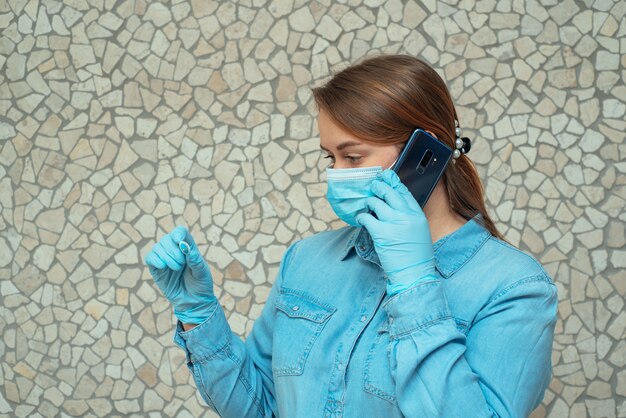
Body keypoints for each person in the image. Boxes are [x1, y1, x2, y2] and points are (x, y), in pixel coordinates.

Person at [145, 54, 558, 417]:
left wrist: (415, 285)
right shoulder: (305, 261)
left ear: (426, 153)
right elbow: (261, 408)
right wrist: (198, 314)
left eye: (353, 156)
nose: (336, 175)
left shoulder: (514, 289)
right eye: (330, 157)